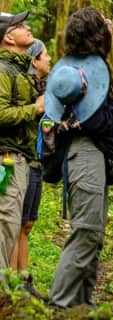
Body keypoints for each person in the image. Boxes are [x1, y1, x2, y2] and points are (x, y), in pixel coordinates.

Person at [45, 7, 113, 309]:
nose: (111, 26)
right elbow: (95, 121)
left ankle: (82, 304)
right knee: (86, 231)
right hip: (84, 154)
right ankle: (60, 304)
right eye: (104, 24)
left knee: (94, 234)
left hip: (89, 155)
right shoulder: (80, 74)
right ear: (95, 33)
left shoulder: (80, 67)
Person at [0, 11, 44, 275]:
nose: (28, 27)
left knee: (12, 221)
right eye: (20, 25)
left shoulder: (18, 68)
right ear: (8, 36)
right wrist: (35, 109)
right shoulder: (3, 70)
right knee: (5, 219)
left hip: (20, 158)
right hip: (6, 157)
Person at [9, 39, 51, 297]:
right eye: (45, 55)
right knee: (16, 223)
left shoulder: (42, 87)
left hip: (37, 161)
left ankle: (24, 280)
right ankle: (12, 283)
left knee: (27, 223)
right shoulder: (23, 87)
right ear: (34, 60)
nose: (49, 59)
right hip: (21, 158)